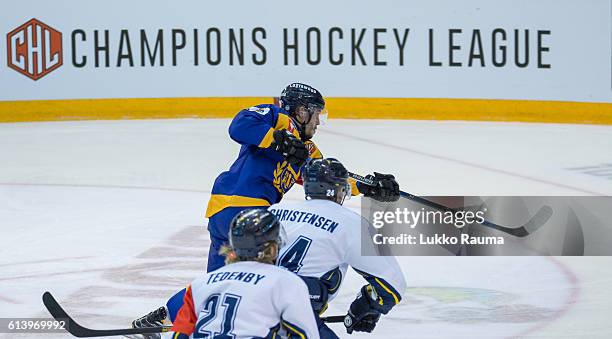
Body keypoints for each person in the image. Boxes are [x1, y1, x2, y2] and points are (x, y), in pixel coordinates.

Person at [132, 82, 401, 328]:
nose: (319, 121)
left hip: (229, 212)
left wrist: (367, 185)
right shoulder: (277, 118)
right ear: (301, 110)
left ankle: (164, 318)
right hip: (244, 209)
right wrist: (277, 139)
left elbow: (326, 175)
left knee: (220, 283)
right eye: (316, 113)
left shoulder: (306, 149)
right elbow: (239, 125)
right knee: (264, 277)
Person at [269, 158, 407, 338]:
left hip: (251, 309)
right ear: (340, 190)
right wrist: (364, 306)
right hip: (298, 318)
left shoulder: (273, 212)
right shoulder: (352, 223)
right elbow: (393, 287)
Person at [166, 209, 320, 339]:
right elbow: (307, 335)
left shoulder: (201, 284)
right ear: (272, 249)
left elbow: (179, 335)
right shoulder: (286, 282)